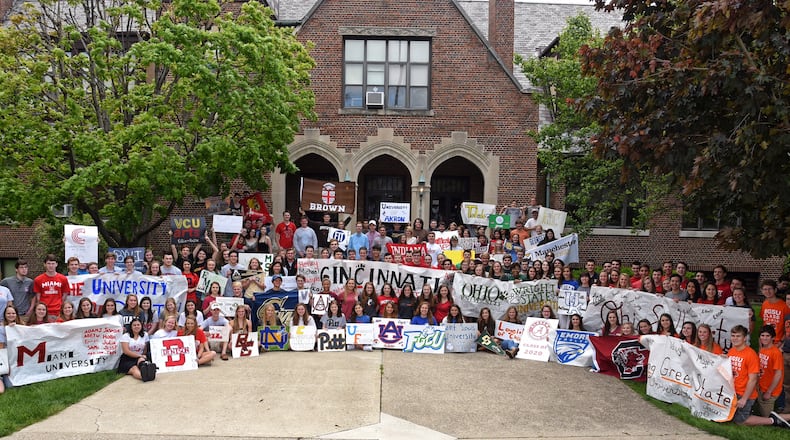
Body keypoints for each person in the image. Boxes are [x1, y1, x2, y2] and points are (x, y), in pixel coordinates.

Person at [728, 325, 790, 427]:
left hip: (760, 391)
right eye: (733, 335)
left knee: (765, 417)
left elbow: (775, 374)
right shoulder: (733, 351)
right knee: (735, 415)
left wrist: (769, 391)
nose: (735, 338)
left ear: (744, 338)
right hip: (756, 387)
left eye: (738, 336)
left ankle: (779, 419)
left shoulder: (754, 354)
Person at [757, 325, 784, 417]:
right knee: (760, 412)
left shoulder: (776, 353)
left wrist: (769, 392)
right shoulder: (763, 349)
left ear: (773, 337)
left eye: (767, 336)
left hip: (770, 390)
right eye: (762, 335)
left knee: (767, 418)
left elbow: (778, 374)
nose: (764, 338)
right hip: (761, 386)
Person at [34, 254, 70, 321]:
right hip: (44, 312)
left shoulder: (63, 279)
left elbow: (65, 295)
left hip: (58, 311)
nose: (51, 266)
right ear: (45, 264)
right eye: (48, 263)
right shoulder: (38, 279)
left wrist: (60, 306)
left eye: (53, 263)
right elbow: (38, 297)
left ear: (56, 264)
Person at [0, 305, 23, 393]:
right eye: (8, 313)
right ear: (5, 315)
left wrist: (16, 328)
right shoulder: (1, 329)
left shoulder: (21, 326)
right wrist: (8, 329)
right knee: (7, 387)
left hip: (18, 357)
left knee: (13, 385)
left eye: (13, 313)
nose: (11, 315)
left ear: (16, 314)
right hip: (6, 358)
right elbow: (1, 348)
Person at [761, 280, 790, 346]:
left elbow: (788, 327)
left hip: (779, 342)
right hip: (766, 341)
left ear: (775, 290)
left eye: (770, 289)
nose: (767, 291)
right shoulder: (764, 304)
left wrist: (781, 342)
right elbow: (764, 322)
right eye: (765, 289)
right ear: (762, 291)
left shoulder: (784, 306)